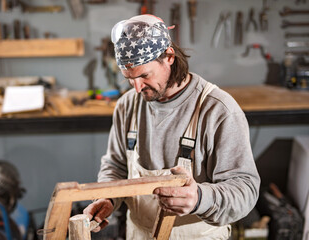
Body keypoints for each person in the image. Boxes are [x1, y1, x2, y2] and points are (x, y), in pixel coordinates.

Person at [83, 14, 260, 239]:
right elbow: (116, 165)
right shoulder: (128, 105)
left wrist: (198, 198)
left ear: (168, 56)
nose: (137, 88)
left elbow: (245, 190)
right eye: (129, 78)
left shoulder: (218, 110)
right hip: (139, 233)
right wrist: (108, 198)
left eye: (144, 75)